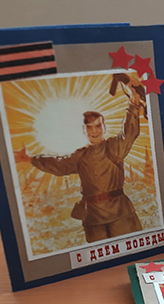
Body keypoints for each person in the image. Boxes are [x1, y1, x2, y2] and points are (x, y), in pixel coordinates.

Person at [13, 73, 145, 242]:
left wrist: (133, 104)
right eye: (89, 128)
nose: (94, 131)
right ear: (84, 131)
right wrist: (29, 159)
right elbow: (58, 165)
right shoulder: (80, 156)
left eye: (98, 126)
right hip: (93, 218)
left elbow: (130, 132)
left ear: (104, 128)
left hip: (120, 214)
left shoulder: (114, 148)